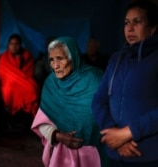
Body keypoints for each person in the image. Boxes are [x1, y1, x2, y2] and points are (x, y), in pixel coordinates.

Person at [92, 0, 158, 166]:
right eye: (127, 23)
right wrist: (115, 134)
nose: (130, 28)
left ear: (153, 28)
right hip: (115, 153)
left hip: (147, 154)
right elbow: (98, 100)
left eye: (137, 22)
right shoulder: (116, 59)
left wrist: (129, 132)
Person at [31, 36, 109, 167]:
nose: (55, 66)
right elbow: (42, 122)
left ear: (73, 57)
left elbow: (111, 113)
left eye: (60, 58)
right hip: (62, 155)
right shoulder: (51, 84)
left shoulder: (95, 79)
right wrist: (57, 136)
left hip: (94, 154)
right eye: (51, 60)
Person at [0, 33, 40, 131]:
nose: (14, 46)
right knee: (8, 90)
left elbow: (29, 72)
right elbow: (3, 73)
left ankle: (29, 122)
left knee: (32, 89)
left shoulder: (26, 55)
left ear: (20, 45)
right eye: (12, 44)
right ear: (8, 45)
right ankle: (12, 118)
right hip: (9, 82)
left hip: (24, 81)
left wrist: (21, 80)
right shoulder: (4, 57)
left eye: (17, 44)